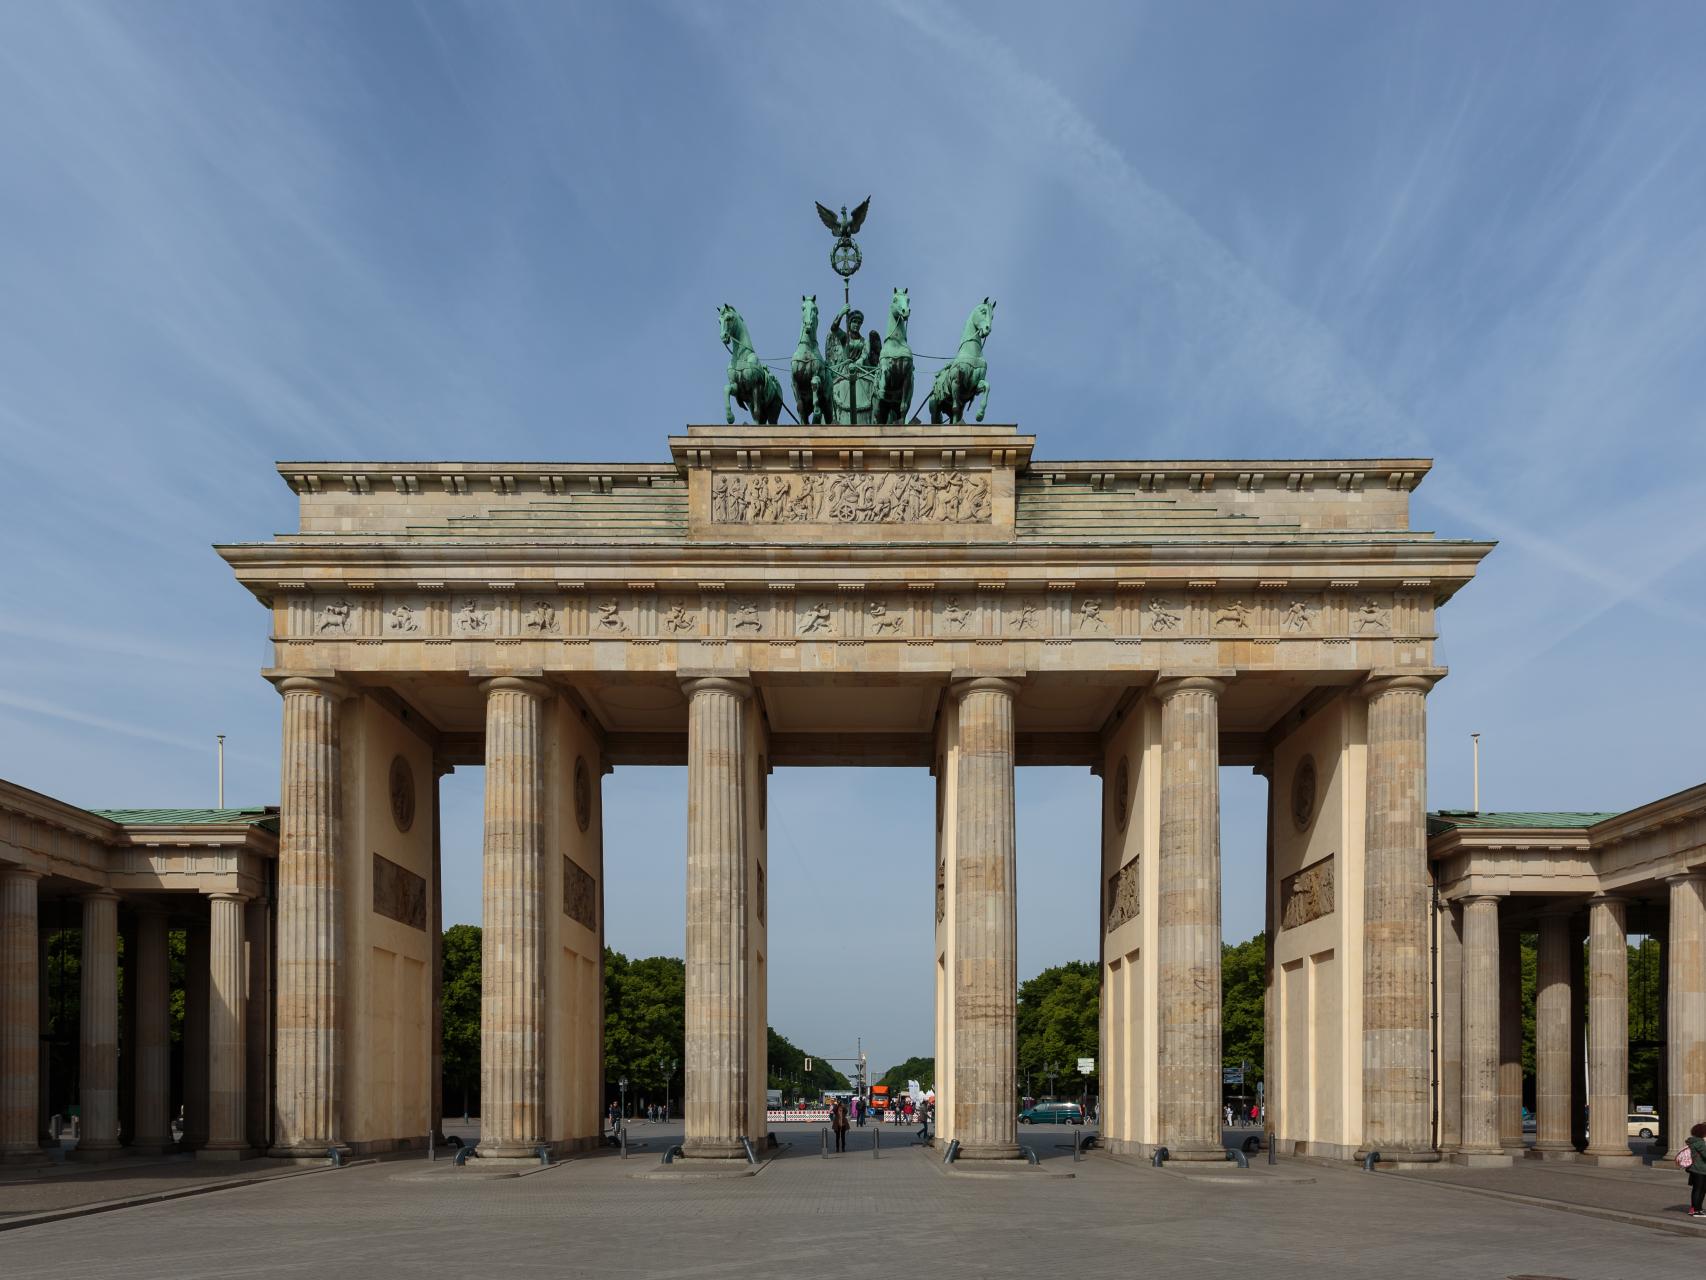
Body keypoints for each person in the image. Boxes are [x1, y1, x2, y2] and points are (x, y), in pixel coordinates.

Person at [1685, 1121, 1706, 1217]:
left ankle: (1695, 1209)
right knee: (1700, 1190)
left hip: (1694, 1169)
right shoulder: (1700, 1143)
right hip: (1701, 1169)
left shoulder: (1693, 1141)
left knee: (1697, 1189)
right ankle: (1697, 1210)